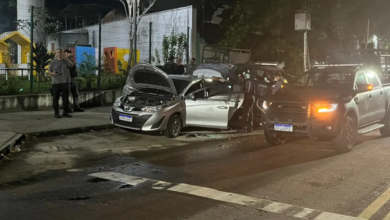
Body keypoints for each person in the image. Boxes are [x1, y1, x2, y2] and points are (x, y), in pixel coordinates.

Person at [49, 48, 74, 118]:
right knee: (55, 98)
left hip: (65, 82)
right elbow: (49, 71)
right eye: (58, 52)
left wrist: (66, 58)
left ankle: (65, 112)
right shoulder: (53, 62)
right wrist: (52, 73)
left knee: (65, 98)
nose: (59, 54)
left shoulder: (66, 61)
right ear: (56, 54)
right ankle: (56, 112)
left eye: (61, 52)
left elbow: (72, 65)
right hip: (56, 83)